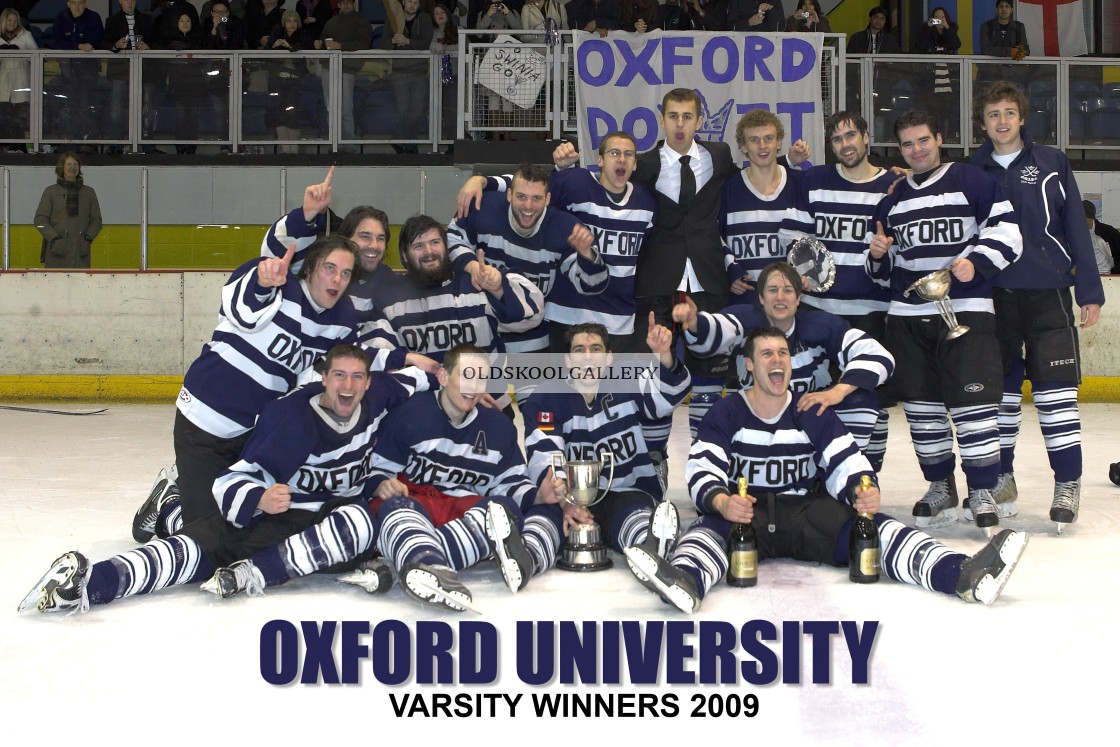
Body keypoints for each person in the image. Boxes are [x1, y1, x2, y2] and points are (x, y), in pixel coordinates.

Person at [623, 326, 1029, 613]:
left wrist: (861, 489)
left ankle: (960, 573)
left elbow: (845, 460)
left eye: (782, 353)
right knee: (705, 533)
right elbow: (702, 470)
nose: (777, 360)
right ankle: (683, 581)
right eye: (767, 354)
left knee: (878, 529)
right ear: (748, 366)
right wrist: (722, 500)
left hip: (805, 514)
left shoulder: (810, 409)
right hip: (744, 515)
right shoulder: (726, 412)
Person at [18, 345, 429, 614]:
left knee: (362, 525)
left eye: (357, 377)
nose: (348, 385)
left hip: (327, 519)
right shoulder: (290, 422)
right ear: (324, 378)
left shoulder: (379, 396)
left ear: (369, 382)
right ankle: (89, 581)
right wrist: (260, 500)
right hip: (276, 518)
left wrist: (456, 383)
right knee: (198, 551)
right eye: (339, 376)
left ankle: (171, 511)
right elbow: (232, 482)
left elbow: (425, 380)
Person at [867, 108, 1022, 533]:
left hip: (967, 311)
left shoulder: (972, 181)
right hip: (908, 318)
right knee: (922, 409)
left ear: (940, 138)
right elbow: (881, 275)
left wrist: (976, 262)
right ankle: (940, 485)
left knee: (974, 406)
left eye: (923, 140)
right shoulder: (891, 201)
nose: (916, 150)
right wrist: (878, 256)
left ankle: (983, 489)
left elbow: (1009, 232)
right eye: (907, 144)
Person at [970, 81, 1104, 532]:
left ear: (1022, 118)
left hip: (1048, 295)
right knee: (1000, 399)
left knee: (1056, 396)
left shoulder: (1051, 162)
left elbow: (1074, 227)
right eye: (993, 114)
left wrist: (1089, 290)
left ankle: (1068, 481)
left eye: (1010, 112)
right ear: (983, 121)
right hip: (993, 298)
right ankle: (1002, 478)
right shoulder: (972, 168)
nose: (1002, 121)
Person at [360, 344, 567, 610]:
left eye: (481, 378)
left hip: (461, 511)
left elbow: (508, 484)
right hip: (414, 504)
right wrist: (382, 485)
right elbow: (376, 470)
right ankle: (429, 563)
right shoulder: (409, 413)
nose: (474, 385)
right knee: (392, 508)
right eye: (467, 375)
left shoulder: (498, 426)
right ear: (444, 377)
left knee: (508, 509)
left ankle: (420, 559)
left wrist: (540, 494)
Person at [456, 131, 657, 354]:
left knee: (612, 387)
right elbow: (531, 186)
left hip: (618, 318)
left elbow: (534, 190)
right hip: (565, 314)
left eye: (628, 154)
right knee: (563, 386)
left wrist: (588, 254)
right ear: (599, 160)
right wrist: (482, 180)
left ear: (635, 164)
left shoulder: (647, 202)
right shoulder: (576, 184)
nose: (621, 159)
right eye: (614, 153)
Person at [676, 261, 894, 459]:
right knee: (706, 399)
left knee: (859, 397)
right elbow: (717, 330)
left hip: (806, 424)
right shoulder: (745, 319)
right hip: (754, 423)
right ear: (761, 298)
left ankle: (852, 477)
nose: (780, 297)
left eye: (788, 290)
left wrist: (837, 391)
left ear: (798, 298)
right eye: (772, 290)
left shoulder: (822, 325)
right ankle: (710, 474)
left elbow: (879, 355)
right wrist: (695, 323)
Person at [781, 111, 899, 470]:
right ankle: (819, 471)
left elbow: (895, 251)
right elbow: (792, 238)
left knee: (870, 397)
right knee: (814, 393)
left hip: (870, 311)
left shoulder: (892, 185)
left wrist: (882, 256)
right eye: (836, 139)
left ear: (866, 137)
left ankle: (868, 474)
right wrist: (801, 274)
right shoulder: (814, 180)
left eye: (851, 136)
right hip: (817, 310)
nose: (845, 145)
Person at [520, 320, 690, 557]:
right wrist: (563, 501)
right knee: (544, 518)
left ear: (609, 357)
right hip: (569, 496)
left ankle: (652, 549)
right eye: (579, 350)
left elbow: (666, 401)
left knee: (632, 517)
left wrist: (663, 356)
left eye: (596, 349)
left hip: (626, 490)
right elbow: (545, 451)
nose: (588, 357)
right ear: (568, 360)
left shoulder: (629, 381)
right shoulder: (546, 397)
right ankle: (527, 557)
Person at [447, 162, 607, 355]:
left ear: (547, 199)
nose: (528, 206)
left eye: (536, 198)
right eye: (521, 197)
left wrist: (587, 255)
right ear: (509, 195)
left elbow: (593, 285)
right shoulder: (484, 207)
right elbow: (452, 238)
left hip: (533, 340)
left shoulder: (565, 228)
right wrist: (472, 266)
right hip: (478, 335)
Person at [360, 213, 545, 364]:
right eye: (418, 246)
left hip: (487, 400)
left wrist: (499, 288)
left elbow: (534, 315)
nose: (429, 251)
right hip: (424, 402)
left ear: (446, 247)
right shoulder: (389, 298)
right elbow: (377, 358)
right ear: (404, 256)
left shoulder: (477, 283)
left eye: (435, 242)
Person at [315, 0, 370, 151]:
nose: (346, 4)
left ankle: (349, 145)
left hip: (347, 69)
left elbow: (364, 44)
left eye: (349, 2)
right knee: (330, 108)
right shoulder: (330, 22)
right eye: (343, 2)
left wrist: (340, 46)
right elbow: (323, 44)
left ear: (353, 4)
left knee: (345, 108)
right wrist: (319, 45)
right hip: (328, 68)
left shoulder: (361, 20)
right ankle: (334, 144)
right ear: (338, 5)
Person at [102, 0, 156, 150]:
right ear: (120, 1)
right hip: (120, 71)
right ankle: (115, 144)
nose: (130, 3)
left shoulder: (147, 20)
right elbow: (103, 42)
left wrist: (148, 46)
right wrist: (116, 45)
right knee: (116, 108)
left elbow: (157, 42)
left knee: (147, 108)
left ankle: (146, 145)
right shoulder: (112, 21)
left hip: (145, 71)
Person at [34, 152, 102, 269]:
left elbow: (97, 220)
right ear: (61, 167)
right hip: (57, 251)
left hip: (80, 251)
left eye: (75, 164)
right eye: (68, 164)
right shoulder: (50, 192)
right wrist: (55, 238)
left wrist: (87, 238)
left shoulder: (89, 192)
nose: (72, 167)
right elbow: (40, 220)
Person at [50, 0, 104, 145]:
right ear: (68, 4)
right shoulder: (61, 18)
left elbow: (95, 40)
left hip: (88, 70)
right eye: (74, 3)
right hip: (68, 70)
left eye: (80, 2)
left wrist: (79, 45)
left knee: (85, 102)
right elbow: (54, 42)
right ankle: (76, 139)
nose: (77, 6)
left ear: (85, 4)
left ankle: (87, 140)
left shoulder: (93, 17)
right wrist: (77, 46)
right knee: (72, 104)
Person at [264, 10, 312, 151]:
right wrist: (274, 47)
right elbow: (265, 55)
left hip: (294, 82)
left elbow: (304, 48)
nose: (292, 24)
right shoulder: (276, 35)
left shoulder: (302, 35)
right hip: (277, 81)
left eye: (294, 21)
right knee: (279, 112)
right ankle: (286, 148)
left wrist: (290, 47)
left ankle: (294, 148)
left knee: (292, 113)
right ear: (284, 23)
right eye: (289, 21)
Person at [159, 10, 206, 154]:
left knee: (192, 117)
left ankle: (191, 147)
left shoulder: (199, 40)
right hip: (178, 85)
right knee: (180, 116)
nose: (185, 24)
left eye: (188, 21)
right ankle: (180, 147)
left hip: (195, 84)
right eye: (181, 21)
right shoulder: (170, 42)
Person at [914, 7, 961, 142]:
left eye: (942, 17)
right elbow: (920, 46)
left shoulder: (951, 29)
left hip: (948, 79)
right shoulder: (927, 30)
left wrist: (947, 28)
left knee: (948, 113)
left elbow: (956, 44)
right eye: (937, 17)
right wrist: (928, 28)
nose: (940, 19)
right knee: (933, 114)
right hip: (931, 80)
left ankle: (948, 143)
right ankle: (934, 141)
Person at [0, 7, 36, 148]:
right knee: (3, 116)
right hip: (2, 81)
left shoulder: (25, 35)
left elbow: (35, 57)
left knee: (19, 117)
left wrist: (20, 52)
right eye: (9, 20)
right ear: (3, 21)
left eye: (15, 21)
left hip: (20, 79)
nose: (12, 23)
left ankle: (19, 147)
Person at [1086, 199, 1120, 273]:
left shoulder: (1108, 232)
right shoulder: (1076, 234)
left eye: (1085, 218)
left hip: (1107, 275)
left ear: (1092, 217)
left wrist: (1115, 272)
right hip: (1086, 276)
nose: (1082, 221)